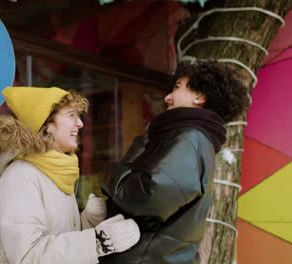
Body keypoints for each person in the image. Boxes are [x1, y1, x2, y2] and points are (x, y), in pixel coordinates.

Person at [99, 61, 249, 264]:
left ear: (200, 97)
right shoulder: (189, 139)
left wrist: (107, 172)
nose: (167, 97)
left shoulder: (190, 138)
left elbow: (150, 196)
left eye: (177, 87)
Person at [0, 86, 140, 264]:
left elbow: (59, 241)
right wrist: (98, 242)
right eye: (71, 115)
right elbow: (28, 256)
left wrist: (87, 221)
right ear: (47, 125)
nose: (80, 123)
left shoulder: (56, 173)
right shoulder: (20, 177)